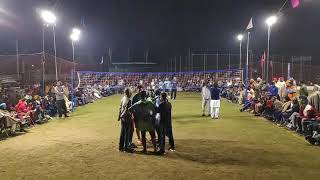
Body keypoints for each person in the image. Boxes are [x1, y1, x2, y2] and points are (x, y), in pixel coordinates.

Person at [118, 88, 134, 153]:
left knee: (122, 132)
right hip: (127, 118)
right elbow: (126, 110)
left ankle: (121, 146)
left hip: (123, 118)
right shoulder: (129, 100)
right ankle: (126, 148)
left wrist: (119, 116)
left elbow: (120, 108)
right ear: (129, 93)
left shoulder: (123, 98)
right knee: (127, 133)